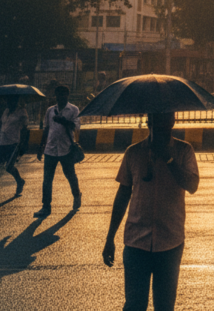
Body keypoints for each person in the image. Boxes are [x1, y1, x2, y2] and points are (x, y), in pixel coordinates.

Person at [103, 112, 200, 311]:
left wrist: (168, 159)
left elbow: (192, 185)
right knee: (134, 305)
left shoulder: (184, 151)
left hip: (170, 242)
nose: (159, 129)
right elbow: (122, 194)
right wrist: (110, 238)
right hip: (136, 242)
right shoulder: (134, 152)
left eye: (164, 123)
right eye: (155, 123)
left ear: (172, 122)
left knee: (164, 305)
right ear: (148, 123)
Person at [34, 84, 81, 218]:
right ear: (56, 96)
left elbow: (76, 127)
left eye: (64, 95)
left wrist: (63, 121)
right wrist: (41, 147)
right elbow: (46, 129)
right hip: (50, 149)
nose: (62, 98)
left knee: (70, 175)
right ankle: (46, 206)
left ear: (68, 96)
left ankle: (77, 194)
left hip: (66, 149)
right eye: (59, 95)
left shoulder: (73, 110)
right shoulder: (50, 111)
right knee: (47, 179)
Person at [0, 96, 29, 197]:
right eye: (7, 100)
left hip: (14, 143)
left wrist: (22, 144)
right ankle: (20, 181)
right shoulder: (6, 111)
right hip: (2, 142)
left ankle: (19, 181)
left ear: (15, 101)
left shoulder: (21, 111)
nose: (8, 102)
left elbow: (25, 128)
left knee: (9, 167)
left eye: (11, 100)